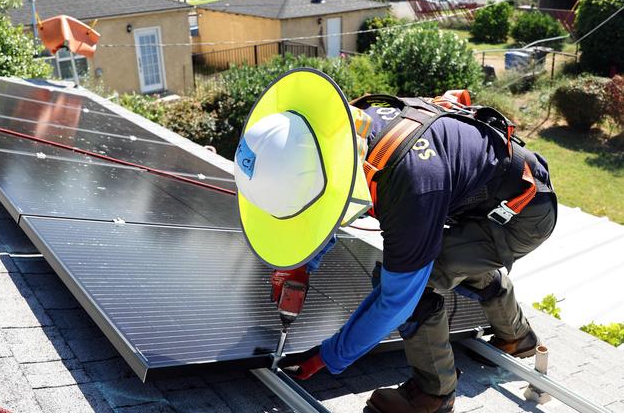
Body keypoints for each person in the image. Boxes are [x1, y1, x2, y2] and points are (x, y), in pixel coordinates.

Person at [234, 69, 557, 413]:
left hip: (522, 215)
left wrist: (330, 355)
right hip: (487, 195)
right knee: (456, 259)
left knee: (422, 282)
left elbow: (396, 303)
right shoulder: (347, 131)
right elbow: (332, 198)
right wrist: (302, 265)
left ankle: (434, 393)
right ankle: (518, 337)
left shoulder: (410, 188)